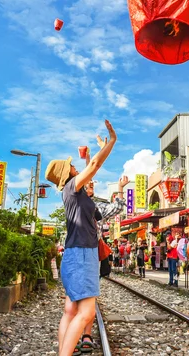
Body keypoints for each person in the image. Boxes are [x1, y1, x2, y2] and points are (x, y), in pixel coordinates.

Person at [45, 120, 117, 356]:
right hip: (83, 254)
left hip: (76, 253)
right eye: (73, 166)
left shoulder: (72, 192)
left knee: (70, 310)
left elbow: (90, 171)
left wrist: (89, 158)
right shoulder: (72, 188)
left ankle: (63, 351)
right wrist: (112, 142)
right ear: (68, 174)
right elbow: (95, 166)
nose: (75, 167)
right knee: (86, 313)